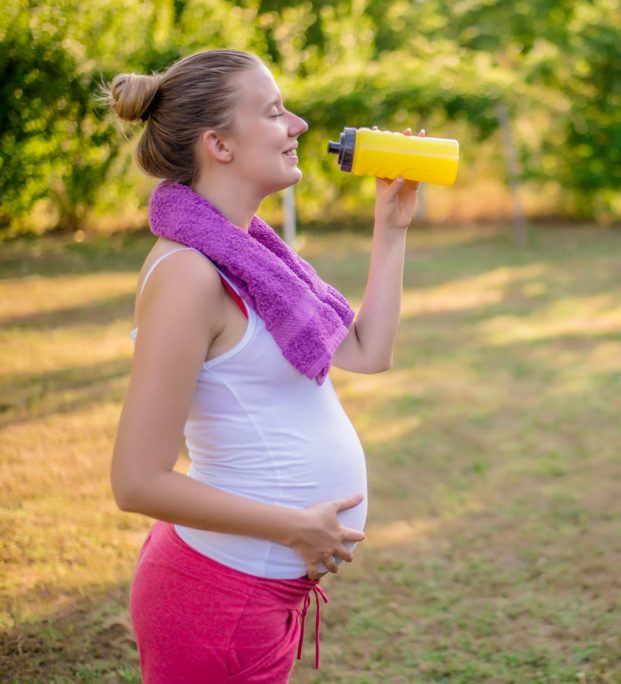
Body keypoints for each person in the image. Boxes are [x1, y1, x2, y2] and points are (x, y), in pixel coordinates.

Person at [106, 49, 421, 682]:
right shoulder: (189, 274)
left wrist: (391, 228)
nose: (299, 125)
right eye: (275, 112)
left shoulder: (254, 258)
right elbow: (135, 481)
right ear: (218, 144)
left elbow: (368, 352)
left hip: (260, 594)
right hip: (214, 598)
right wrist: (293, 527)